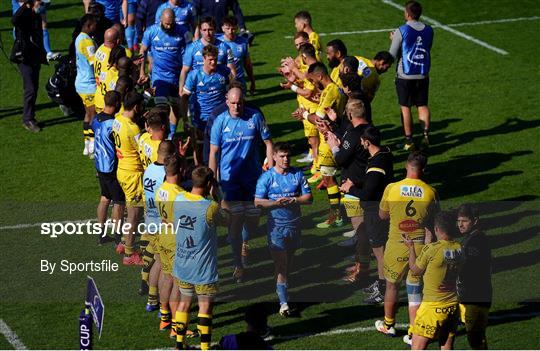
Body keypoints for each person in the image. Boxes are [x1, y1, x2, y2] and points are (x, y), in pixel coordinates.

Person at [209, 86, 273, 283]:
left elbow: (268, 143)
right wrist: (212, 180)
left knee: (253, 220)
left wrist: (269, 165)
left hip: (253, 179)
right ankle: (238, 263)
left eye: (240, 103)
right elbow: (213, 152)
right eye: (233, 103)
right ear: (227, 101)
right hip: (230, 181)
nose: (237, 106)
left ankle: (244, 241)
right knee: (234, 221)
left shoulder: (254, 117)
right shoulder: (220, 122)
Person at [375, 151, 439, 337]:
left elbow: (382, 215)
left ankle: (388, 325)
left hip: (396, 244)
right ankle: (414, 332)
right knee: (415, 288)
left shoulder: (392, 188)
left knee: (392, 285)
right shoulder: (430, 192)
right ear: (424, 169)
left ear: (406, 165)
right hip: (419, 245)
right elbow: (435, 219)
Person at [172, 166, 228, 350]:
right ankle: (204, 348)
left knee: (184, 304)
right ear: (210, 184)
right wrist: (218, 197)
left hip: (182, 263)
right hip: (203, 269)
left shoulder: (178, 199)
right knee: (205, 308)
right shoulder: (210, 208)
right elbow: (227, 220)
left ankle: (180, 345)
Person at [255, 142, 312, 316]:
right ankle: (284, 303)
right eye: (282, 156)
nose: (286, 159)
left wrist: (295, 200)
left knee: (288, 264)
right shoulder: (266, 178)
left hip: (295, 226)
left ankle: (283, 290)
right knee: (281, 264)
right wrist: (274, 203)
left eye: (288, 156)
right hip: (276, 228)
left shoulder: (297, 174)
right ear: (274, 157)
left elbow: (309, 197)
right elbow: (257, 201)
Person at [340, 126, 394, 303]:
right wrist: (357, 181)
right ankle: (381, 283)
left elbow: (367, 194)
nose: (361, 143)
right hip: (379, 209)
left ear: (367, 142)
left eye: (362, 141)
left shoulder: (376, 164)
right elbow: (372, 182)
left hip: (375, 212)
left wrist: (350, 188)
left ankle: (383, 289)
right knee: (380, 251)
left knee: (380, 253)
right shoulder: (384, 154)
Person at [293, 62, 346, 229]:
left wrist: (305, 114)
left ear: (319, 76)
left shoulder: (330, 92)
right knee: (332, 179)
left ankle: (336, 216)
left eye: (312, 79)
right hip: (334, 137)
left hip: (328, 141)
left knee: (329, 180)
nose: (312, 83)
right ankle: (339, 214)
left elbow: (319, 120)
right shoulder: (332, 89)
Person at [325, 99, 370, 282]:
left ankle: (362, 271)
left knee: (360, 230)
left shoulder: (353, 134)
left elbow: (341, 159)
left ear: (350, 115)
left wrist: (333, 146)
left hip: (353, 187)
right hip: (368, 185)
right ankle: (360, 265)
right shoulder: (372, 130)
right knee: (364, 230)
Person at [403, 211, 462, 350]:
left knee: (417, 348)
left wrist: (411, 247)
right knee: (446, 346)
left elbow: (415, 270)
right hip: (452, 304)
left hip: (432, 307)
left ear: (436, 229)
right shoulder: (460, 248)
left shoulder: (431, 249)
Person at [388, 0, 434, 150]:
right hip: (422, 74)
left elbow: (392, 55)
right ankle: (426, 136)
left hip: (405, 75)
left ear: (407, 14)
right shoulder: (429, 29)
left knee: (405, 107)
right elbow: (427, 48)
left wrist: (393, 39)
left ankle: (409, 141)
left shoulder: (401, 30)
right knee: (422, 105)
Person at [139, 8, 187, 139]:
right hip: (159, 77)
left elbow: (189, 50)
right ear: (160, 20)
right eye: (166, 23)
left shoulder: (182, 31)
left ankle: (170, 135)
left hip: (177, 76)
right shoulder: (151, 31)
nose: (169, 26)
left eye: (171, 23)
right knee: (161, 107)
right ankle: (158, 135)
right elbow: (142, 50)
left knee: (175, 107)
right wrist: (142, 70)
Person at [140, 138, 176, 308]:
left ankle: (152, 299)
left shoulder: (148, 170)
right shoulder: (166, 175)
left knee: (157, 261)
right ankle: (164, 305)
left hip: (151, 221)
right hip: (163, 226)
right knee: (164, 267)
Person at [182, 44, 231, 165]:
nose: (213, 62)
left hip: (220, 117)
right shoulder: (194, 75)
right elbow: (184, 98)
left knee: (220, 144)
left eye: (215, 59)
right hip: (201, 118)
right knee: (199, 146)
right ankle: (199, 170)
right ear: (203, 59)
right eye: (210, 59)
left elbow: (232, 90)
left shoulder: (224, 72)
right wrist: (185, 120)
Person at [112, 91, 146, 265]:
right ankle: (129, 254)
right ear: (136, 107)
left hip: (122, 169)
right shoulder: (133, 129)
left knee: (129, 211)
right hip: (133, 174)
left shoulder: (118, 118)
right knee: (134, 214)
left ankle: (125, 242)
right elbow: (142, 150)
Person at [154, 154, 186, 337]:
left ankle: (164, 317)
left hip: (162, 236)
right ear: (180, 171)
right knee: (178, 284)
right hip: (175, 240)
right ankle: (176, 326)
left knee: (167, 278)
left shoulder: (162, 188)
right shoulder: (179, 195)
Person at [91, 90, 125, 245]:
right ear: (117, 104)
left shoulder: (96, 119)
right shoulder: (112, 124)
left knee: (105, 198)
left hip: (99, 165)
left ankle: (101, 234)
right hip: (111, 168)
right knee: (119, 202)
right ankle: (119, 239)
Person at [456, 204, 492, 350]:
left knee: (475, 338)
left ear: (475, 220)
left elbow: (470, 267)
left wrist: (454, 268)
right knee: (478, 338)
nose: (460, 224)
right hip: (479, 294)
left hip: (474, 296)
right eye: (458, 221)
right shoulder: (476, 238)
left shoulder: (474, 242)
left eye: (464, 221)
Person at [11, 0, 48, 133]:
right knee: (30, 89)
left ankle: (30, 117)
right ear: (31, 3)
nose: (42, 5)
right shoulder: (24, 15)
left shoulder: (36, 16)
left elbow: (37, 38)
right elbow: (14, 20)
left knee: (34, 88)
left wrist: (44, 54)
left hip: (35, 57)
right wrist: (25, 6)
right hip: (24, 58)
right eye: (40, 2)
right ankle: (27, 120)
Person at [179, 17, 236, 98]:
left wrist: (233, 89)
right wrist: (181, 90)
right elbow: (184, 70)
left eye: (210, 29)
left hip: (219, 91)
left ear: (215, 29)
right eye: (204, 30)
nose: (207, 33)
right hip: (198, 93)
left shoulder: (226, 47)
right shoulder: (191, 48)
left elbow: (231, 70)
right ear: (200, 31)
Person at [75, 14, 99, 157]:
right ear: (89, 25)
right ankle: (92, 146)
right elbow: (94, 63)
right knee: (93, 114)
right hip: (88, 84)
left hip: (81, 83)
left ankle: (86, 143)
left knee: (87, 113)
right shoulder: (87, 42)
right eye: (94, 24)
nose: (96, 27)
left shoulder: (80, 38)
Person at [218, 15, 255, 94]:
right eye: (228, 28)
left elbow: (247, 64)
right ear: (222, 28)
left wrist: (252, 81)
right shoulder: (216, 43)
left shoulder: (243, 42)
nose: (230, 31)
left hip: (239, 81)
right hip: (222, 82)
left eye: (233, 28)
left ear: (237, 28)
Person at [94, 28, 121, 113]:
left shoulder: (100, 48)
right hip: (109, 103)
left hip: (99, 97)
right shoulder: (113, 56)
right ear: (118, 40)